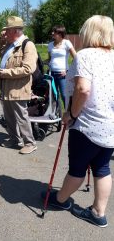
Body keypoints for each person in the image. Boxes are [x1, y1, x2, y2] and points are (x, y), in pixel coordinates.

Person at [43, 15, 114, 228]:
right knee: (102, 168)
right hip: (110, 126)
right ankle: (98, 213)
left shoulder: (85, 55)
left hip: (87, 125)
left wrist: (71, 114)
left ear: (88, 32)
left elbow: (83, 89)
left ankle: (60, 200)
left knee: (77, 168)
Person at [0, 16, 37, 154]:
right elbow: (1, 56)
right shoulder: (10, 45)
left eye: (7, 31)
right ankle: (14, 138)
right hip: (6, 87)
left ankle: (29, 143)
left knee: (21, 116)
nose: (4, 33)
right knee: (8, 115)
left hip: (19, 88)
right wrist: (1, 42)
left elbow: (28, 69)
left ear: (15, 31)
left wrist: (8, 73)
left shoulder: (28, 45)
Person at [47, 25, 76, 106]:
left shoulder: (66, 43)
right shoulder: (50, 45)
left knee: (64, 95)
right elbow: (50, 59)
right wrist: (40, 62)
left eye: (54, 32)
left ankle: (69, 114)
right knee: (54, 96)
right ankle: (57, 115)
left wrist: (68, 71)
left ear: (60, 34)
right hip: (52, 74)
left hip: (62, 75)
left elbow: (76, 58)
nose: (52, 33)